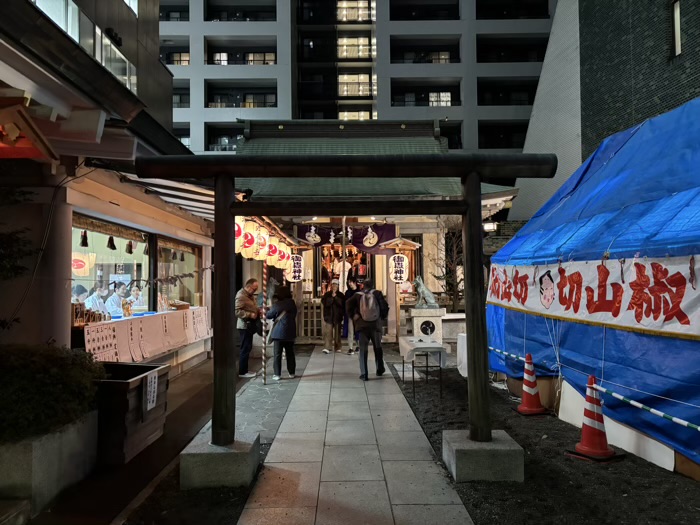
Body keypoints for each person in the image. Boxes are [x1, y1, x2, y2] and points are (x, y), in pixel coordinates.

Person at [346, 278, 389, 381]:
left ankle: (364, 373)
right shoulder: (377, 294)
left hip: (362, 326)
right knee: (377, 347)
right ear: (372, 285)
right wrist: (381, 317)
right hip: (375, 325)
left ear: (363, 286)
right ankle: (379, 369)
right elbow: (384, 307)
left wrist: (353, 315)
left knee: (363, 349)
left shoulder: (357, 295)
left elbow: (347, 304)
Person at [266, 286, 297, 381]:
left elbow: (269, 315)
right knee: (290, 353)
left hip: (278, 333)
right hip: (290, 332)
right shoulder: (292, 304)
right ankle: (291, 372)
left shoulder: (277, 304)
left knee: (277, 354)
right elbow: (294, 314)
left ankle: (277, 374)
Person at [235, 278, 260, 378]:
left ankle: (245, 369)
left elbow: (253, 306)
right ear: (248, 287)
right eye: (254, 288)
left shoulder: (250, 295)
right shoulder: (241, 296)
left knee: (248, 347)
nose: (255, 291)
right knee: (245, 348)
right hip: (244, 325)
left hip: (250, 325)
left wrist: (258, 311)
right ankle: (242, 372)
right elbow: (236, 311)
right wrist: (249, 315)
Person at [321, 279, 345, 354]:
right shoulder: (327, 294)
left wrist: (336, 298)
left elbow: (342, 304)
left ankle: (338, 347)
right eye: (333, 284)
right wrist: (332, 298)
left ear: (338, 286)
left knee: (337, 333)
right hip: (329, 316)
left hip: (338, 316)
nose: (334, 286)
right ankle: (327, 347)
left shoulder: (341, 295)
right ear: (331, 285)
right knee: (328, 332)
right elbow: (325, 303)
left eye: (336, 285)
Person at [344, 276, 359, 355]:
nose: (349, 284)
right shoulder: (347, 292)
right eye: (349, 282)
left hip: (358, 315)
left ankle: (358, 346)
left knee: (358, 331)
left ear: (354, 282)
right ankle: (350, 347)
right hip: (350, 314)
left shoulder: (359, 291)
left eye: (351, 282)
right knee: (350, 331)